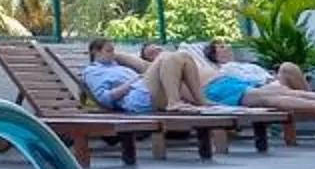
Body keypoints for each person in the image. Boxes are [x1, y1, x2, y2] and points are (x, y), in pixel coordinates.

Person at [200, 41, 315, 114]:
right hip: (246, 87)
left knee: (286, 74)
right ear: (215, 55)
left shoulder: (246, 65)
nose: (227, 46)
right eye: (221, 46)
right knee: (275, 94)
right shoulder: (223, 69)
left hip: (252, 85)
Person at [80, 38, 221, 114]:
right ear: (95, 52)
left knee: (184, 57)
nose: (113, 54)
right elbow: (104, 99)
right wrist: (132, 82)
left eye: (113, 50)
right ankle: (173, 102)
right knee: (166, 56)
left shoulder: (117, 66)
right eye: (108, 51)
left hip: (147, 91)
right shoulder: (92, 71)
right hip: (136, 99)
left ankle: (201, 100)